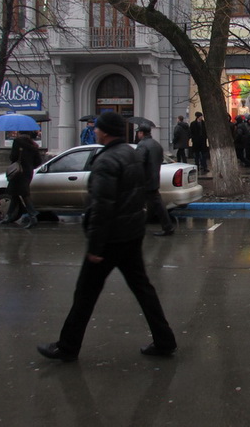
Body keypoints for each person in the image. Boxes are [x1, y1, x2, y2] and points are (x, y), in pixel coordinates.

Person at [37, 111, 177, 362]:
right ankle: (165, 340)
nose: (96, 131)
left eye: (98, 128)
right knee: (143, 289)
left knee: (85, 294)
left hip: (110, 240)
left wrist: (95, 247)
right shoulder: (131, 154)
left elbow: (101, 206)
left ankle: (67, 347)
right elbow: (136, 195)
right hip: (131, 235)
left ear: (105, 131)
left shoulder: (106, 161)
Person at [135, 121, 175, 237]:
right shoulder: (156, 144)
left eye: (138, 132)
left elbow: (139, 162)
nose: (138, 135)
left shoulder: (142, 145)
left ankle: (167, 227)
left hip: (144, 181)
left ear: (141, 133)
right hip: (154, 179)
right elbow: (160, 160)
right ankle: (167, 227)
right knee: (156, 205)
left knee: (135, 204)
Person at [1, 131, 43, 227]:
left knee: (23, 194)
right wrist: (29, 166)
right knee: (15, 194)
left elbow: (13, 157)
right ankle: (8, 216)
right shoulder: (34, 145)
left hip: (18, 172)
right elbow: (38, 161)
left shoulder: (17, 142)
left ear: (20, 133)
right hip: (28, 172)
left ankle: (33, 216)